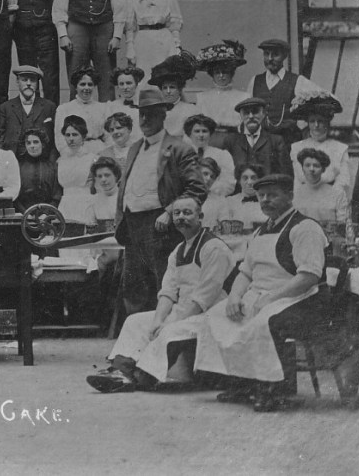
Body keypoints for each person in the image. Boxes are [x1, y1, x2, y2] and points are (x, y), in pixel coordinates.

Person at [194, 174, 329, 412]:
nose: (266, 200)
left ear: (290, 195)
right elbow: (245, 272)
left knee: (263, 323)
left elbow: (308, 276)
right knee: (217, 316)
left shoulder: (305, 228)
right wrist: (234, 297)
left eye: (273, 195)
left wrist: (272, 297)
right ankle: (241, 383)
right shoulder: (259, 232)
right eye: (262, 196)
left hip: (297, 297)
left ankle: (272, 389)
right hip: (260, 294)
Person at [87, 197, 235, 393]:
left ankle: (138, 378)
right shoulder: (179, 250)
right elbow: (168, 291)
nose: (181, 217)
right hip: (184, 309)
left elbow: (204, 297)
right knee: (135, 321)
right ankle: (120, 370)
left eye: (187, 213)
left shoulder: (214, 248)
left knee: (169, 331)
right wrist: (158, 319)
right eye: (176, 213)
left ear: (201, 217)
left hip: (210, 312)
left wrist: (168, 323)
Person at [115, 87, 206, 316]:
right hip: (133, 225)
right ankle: (136, 345)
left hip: (160, 227)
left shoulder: (179, 148)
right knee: (134, 285)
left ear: (163, 115)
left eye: (151, 114)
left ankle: (163, 341)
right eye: (142, 114)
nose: (145, 119)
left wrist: (169, 211)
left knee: (163, 285)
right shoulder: (135, 147)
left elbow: (197, 189)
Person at [53, 0, 128, 101]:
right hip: (77, 28)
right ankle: (75, 117)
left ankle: (108, 116)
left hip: (104, 29)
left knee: (107, 75)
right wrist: (63, 35)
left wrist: (116, 36)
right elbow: (59, 9)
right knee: (76, 74)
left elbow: (120, 8)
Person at [247, 38, 321, 146]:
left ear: (285, 56)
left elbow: (322, 99)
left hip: (288, 142)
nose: (270, 58)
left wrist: (301, 123)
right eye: (266, 54)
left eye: (275, 54)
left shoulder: (297, 81)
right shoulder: (255, 81)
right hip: (261, 144)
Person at [12, 0, 60, 103]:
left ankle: (52, 114)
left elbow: (61, 5)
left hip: (46, 31)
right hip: (23, 32)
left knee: (50, 75)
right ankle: (32, 112)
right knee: (28, 75)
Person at [123, 0, 184, 71]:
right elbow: (129, 26)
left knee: (163, 74)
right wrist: (130, 47)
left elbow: (174, 25)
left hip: (164, 40)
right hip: (142, 40)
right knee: (143, 74)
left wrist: (177, 46)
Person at [289, 92, 350, 199]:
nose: (316, 125)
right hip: (305, 198)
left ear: (327, 122)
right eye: (312, 121)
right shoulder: (297, 147)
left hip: (330, 199)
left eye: (320, 121)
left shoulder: (340, 148)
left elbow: (343, 181)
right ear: (308, 123)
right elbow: (297, 181)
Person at [222, 97, 291, 188]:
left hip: (267, 194)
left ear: (263, 114)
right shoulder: (231, 141)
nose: (251, 116)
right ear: (241, 116)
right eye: (246, 113)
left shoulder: (276, 141)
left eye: (255, 112)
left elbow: (285, 174)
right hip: (239, 195)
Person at [195, 40, 250, 146]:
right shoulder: (202, 97)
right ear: (212, 75)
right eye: (217, 72)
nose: (221, 76)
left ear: (232, 73)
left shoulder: (243, 97)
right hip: (210, 141)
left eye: (225, 72)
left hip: (236, 141)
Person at [0, 65, 57, 156]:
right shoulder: (6, 107)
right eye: (24, 80)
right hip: (13, 159)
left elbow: (54, 139)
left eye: (33, 80)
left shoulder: (49, 106)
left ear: (37, 84)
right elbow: (0, 138)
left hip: (41, 160)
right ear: (17, 81)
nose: (29, 83)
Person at [55, 66, 108, 156]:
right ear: (76, 87)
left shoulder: (103, 108)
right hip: (74, 152)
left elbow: (108, 136)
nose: (86, 88)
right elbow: (60, 139)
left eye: (90, 84)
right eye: (82, 84)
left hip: (99, 152)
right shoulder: (64, 109)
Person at [293, 149, 351, 226]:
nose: (311, 169)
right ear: (302, 168)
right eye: (307, 165)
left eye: (316, 166)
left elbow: (343, 224)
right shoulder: (295, 194)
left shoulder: (337, 193)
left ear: (323, 169)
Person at [56, 116, 97, 224]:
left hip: (86, 205)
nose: (71, 139)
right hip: (65, 206)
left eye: (75, 134)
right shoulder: (61, 160)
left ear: (83, 136)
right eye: (67, 135)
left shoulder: (93, 159)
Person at [184, 114, 236, 198]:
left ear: (210, 134)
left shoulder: (222, 155)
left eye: (204, 131)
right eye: (197, 131)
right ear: (189, 134)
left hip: (213, 199)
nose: (201, 135)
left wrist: (206, 189)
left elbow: (229, 184)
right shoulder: (182, 155)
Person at [148, 54, 199, 138]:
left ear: (179, 89)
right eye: (165, 88)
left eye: (172, 87)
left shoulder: (190, 110)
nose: (168, 91)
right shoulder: (154, 111)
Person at [15, 128, 61, 213]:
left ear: (42, 144)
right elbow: (15, 197)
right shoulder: (18, 168)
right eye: (28, 143)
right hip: (24, 216)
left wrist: (46, 214)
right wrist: (26, 214)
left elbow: (57, 196)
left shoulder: (52, 167)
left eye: (36, 142)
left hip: (47, 217)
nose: (32, 146)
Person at [220, 164, 270, 231]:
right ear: (239, 181)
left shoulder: (267, 201)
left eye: (253, 178)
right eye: (245, 178)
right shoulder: (229, 202)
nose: (249, 182)